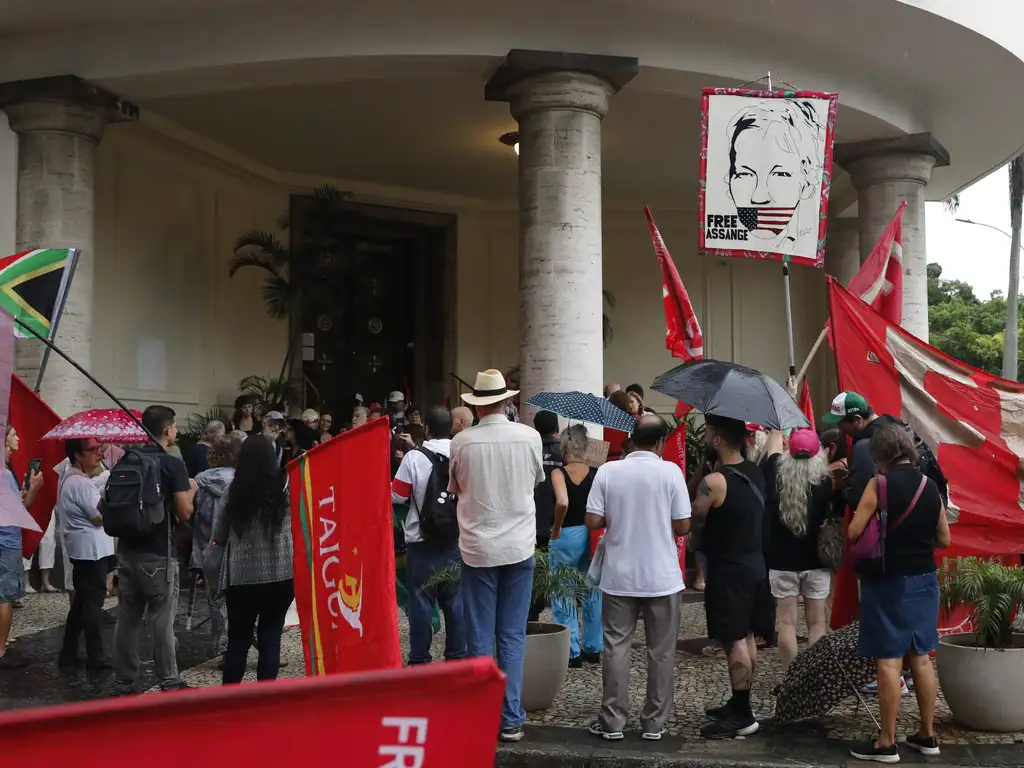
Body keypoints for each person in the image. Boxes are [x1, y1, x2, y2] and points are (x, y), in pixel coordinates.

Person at [449, 369, 543, 743]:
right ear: (507, 401)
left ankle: (483, 711)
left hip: (478, 546)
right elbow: (534, 482)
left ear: (477, 404)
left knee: (479, 634)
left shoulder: (462, 442)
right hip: (519, 544)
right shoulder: (530, 437)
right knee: (512, 634)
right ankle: (510, 717)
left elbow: (456, 487)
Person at [847, 423, 949, 763]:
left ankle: (886, 742)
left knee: (889, 660)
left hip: (888, 581)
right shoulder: (930, 486)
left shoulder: (879, 485)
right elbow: (945, 539)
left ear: (880, 456)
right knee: (921, 657)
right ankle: (927, 735)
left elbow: (853, 532)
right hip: (924, 580)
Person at [585, 415, 690, 741]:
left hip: (619, 575)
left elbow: (592, 520)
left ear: (631, 439)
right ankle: (654, 724)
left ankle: (613, 720)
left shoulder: (608, 471)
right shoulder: (671, 471)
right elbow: (683, 526)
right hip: (661, 576)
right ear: (659, 443)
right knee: (661, 651)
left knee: (615, 647)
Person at [691, 415, 767, 739]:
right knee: (747, 637)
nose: (706, 437)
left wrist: (701, 473)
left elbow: (695, 518)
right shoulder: (756, 473)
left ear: (718, 440)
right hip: (754, 565)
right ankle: (740, 704)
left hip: (729, 570)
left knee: (734, 640)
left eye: (709, 433)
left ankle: (744, 715)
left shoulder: (716, 482)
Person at [112, 406, 195, 694]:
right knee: (162, 619)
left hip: (126, 552)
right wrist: (191, 491)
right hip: (159, 553)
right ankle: (170, 680)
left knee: (127, 619)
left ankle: (123, 679)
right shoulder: (172, 464)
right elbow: (185, 511)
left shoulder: (127, 460)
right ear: (168, 430)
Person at [215, 435, 294, 684]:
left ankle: (231, 701)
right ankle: (264, 703)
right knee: (271, 639)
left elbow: (219, 534)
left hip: (242, 577)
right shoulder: (286, 489)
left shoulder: (233, 491)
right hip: (281, 574)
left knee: (238, 641)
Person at [391, 406, 466, 666]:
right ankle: (456, 658)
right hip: (456, 539)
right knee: (455, 603)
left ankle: (420, 660)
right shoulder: (463, 454)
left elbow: (398, 495)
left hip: (420, 541)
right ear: (452, 428)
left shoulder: (414, 457)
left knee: (421, 602)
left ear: (426, 429)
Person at [760, 428, 831, 671]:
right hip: (816, 562)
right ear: (817, 455)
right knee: (817, 623)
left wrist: (778, 423)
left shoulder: (775, 473)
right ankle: (811, 680)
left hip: (781, 562)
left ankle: (791, 677)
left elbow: (772, 448)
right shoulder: (825, 481)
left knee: (787, 623)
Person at [823, 391, 948, 510]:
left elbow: (858, 499)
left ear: (857, 420)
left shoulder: (866, 444)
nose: (840, 430)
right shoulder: (897, 427)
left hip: (909, 515)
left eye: (840, 424)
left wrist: (844, 485)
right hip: (932, 505)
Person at [57, 437, 116, 669]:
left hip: (86, 550)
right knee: (92, 604)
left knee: (82, 603)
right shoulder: (78, 482)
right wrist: (113, 503)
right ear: (77, 454)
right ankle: (96, 655)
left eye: (98, 448)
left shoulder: (76, 479)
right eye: (92, 450)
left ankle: (69, 653)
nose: (98, 453)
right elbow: (98, 517)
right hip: (90, 552)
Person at [550, 424, 601, 667]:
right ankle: (593, 646)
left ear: (564, 447)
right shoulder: (596, 472)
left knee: (563, 591)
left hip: (567, 534)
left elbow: (562, 502)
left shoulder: (559, 473)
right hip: (591, 533)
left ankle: (572, 651)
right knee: (592, 589)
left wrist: (556, 528)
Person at [191, 433, 243, 657]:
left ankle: (223, 647)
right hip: (237, 546)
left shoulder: (199, 480)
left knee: (216, 599)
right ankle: (254, 642)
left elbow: (190, 513)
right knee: (242, 598)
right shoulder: (241, 480)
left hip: (208, 546)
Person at [0, 425, 43, 669]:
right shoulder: (4, 473)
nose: (18, 438)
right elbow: (20, 509)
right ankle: (1, 648)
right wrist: (34, 490)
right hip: (6, 539)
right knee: (4, 596)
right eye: (13, 434)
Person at [529, 410, 562, 623]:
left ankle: (533, 608)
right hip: (557, 520)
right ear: (557, 428)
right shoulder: (564, 451)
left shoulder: (529, 449)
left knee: (534, 567)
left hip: (531, 519)